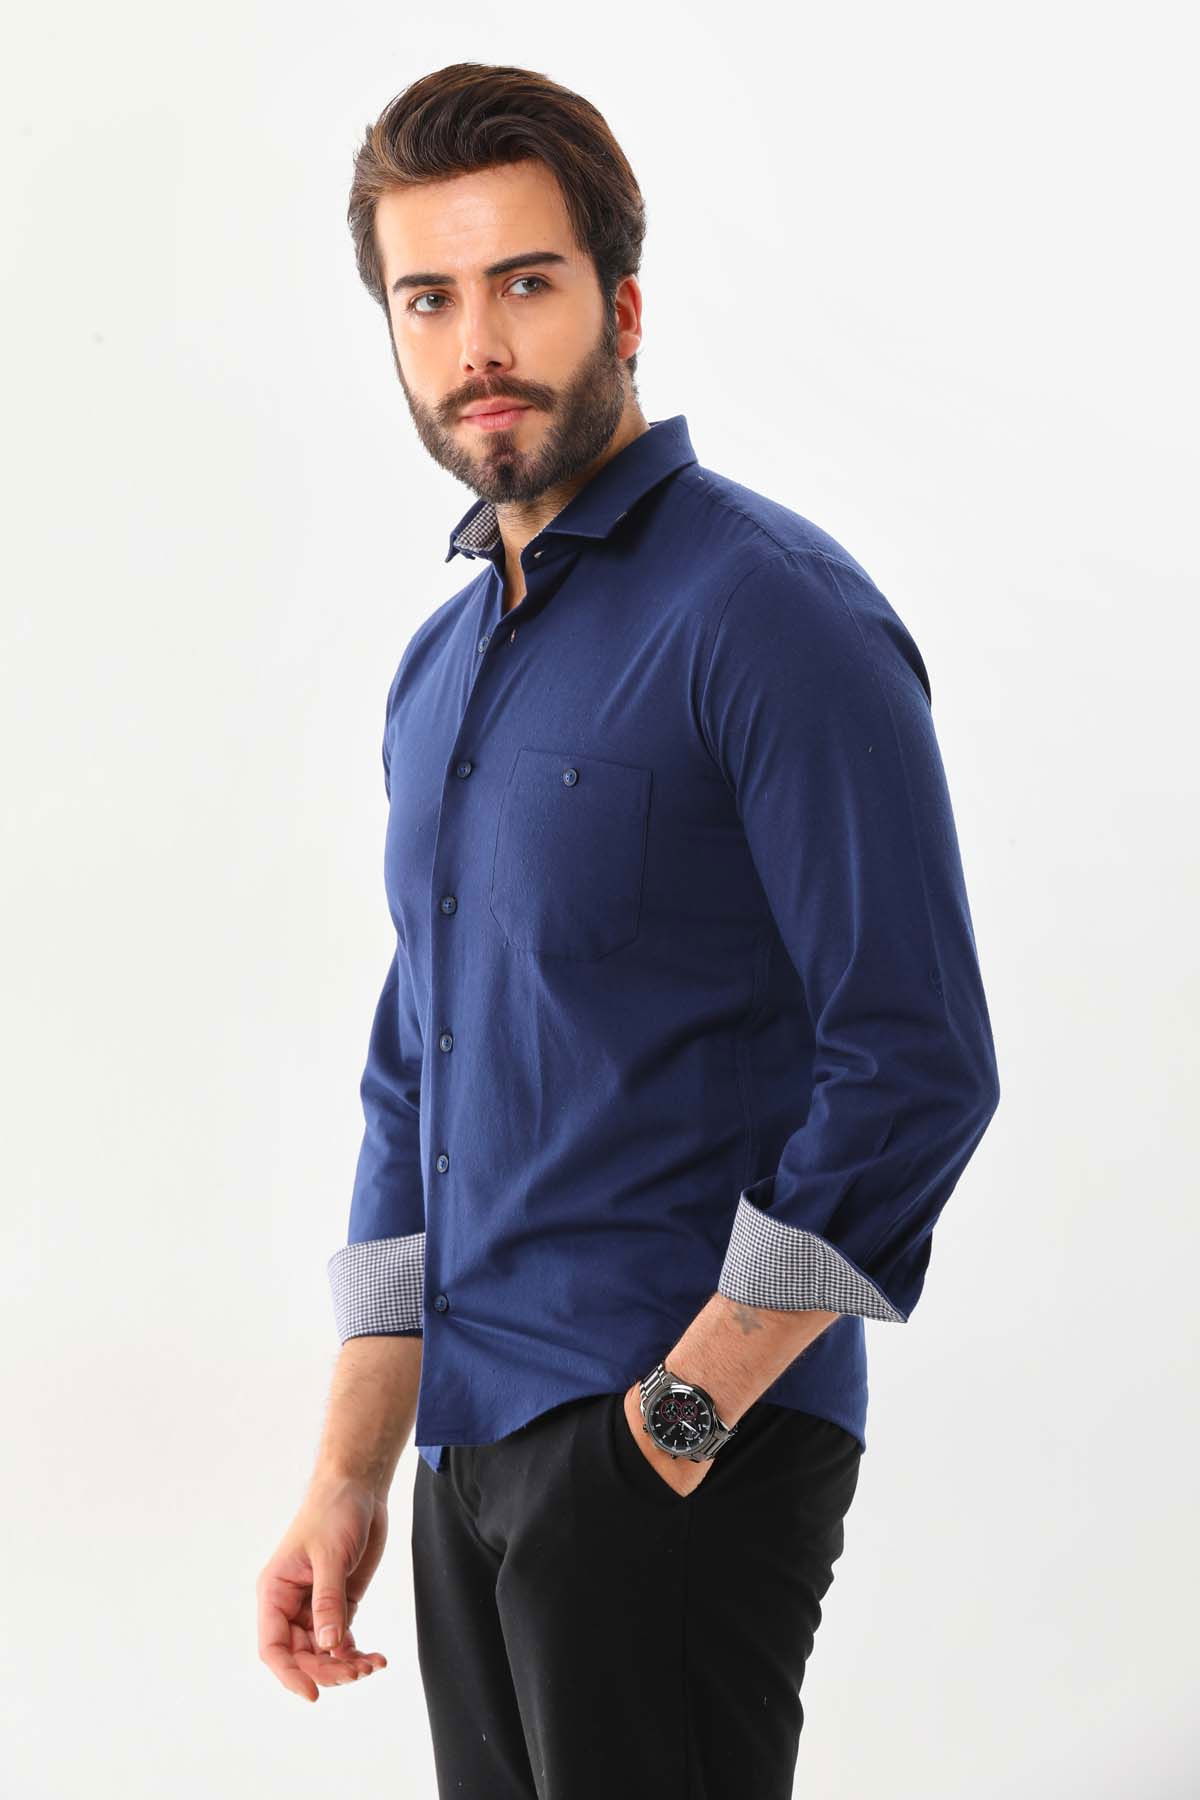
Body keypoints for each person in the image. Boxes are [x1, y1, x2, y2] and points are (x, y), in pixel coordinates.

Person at [256, 60, 1001, 1799]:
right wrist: (352, 1468)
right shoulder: (440, 670)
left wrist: (675, 1421)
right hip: (467, 1454)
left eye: (525, 282)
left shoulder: (772, 615)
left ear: (625, 305)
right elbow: (414, 1078)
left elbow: (915, 1062)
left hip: (673, 1450)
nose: (478, 344)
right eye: (428, 299)